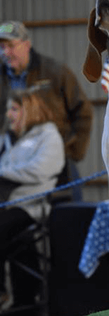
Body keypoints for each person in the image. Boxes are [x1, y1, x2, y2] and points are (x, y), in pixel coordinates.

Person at [0, 20, 93, 199]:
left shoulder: (54, 72)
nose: (6, 53)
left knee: (67, 210)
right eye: (2, 48)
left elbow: (83, 111)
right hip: (13, 161)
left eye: (11, 46)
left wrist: (72, 151)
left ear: (26, 45)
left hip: (52, 157)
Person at [0, 90, 65, 311]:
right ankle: (22, 300)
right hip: (8, 204)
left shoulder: (48, 136)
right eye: (9, 109)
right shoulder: (13, 139)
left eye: (14, 109)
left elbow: (40, 170)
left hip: (31, 205)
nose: (9, 114)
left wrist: (3, 171)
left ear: (31, 110)